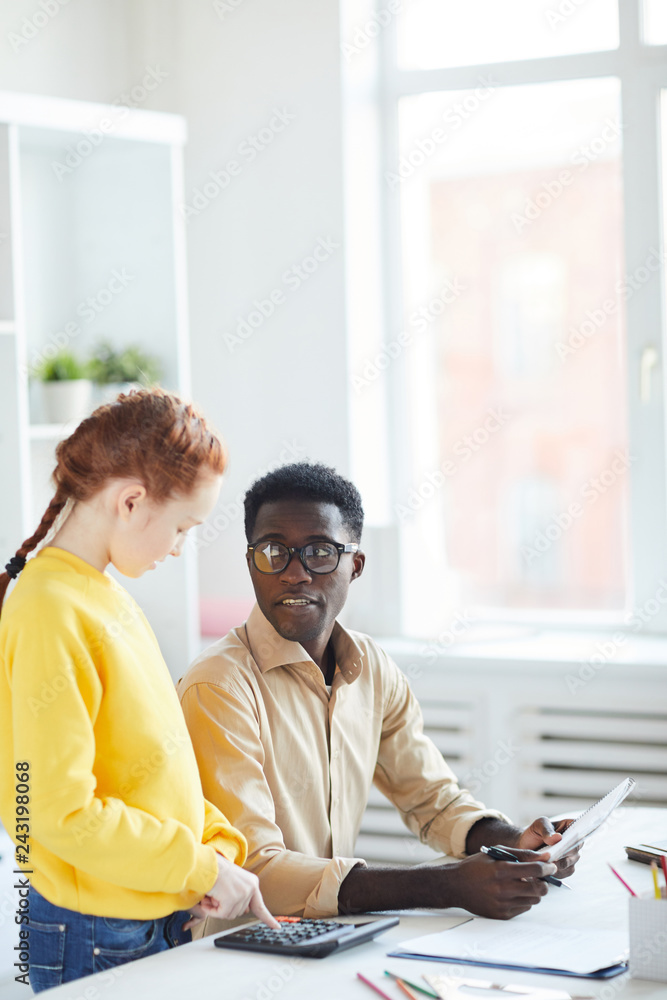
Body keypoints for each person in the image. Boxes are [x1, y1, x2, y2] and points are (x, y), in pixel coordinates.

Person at [177, 462, 580, 932]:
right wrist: (444, 886)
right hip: (238, 949)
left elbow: (432, 798)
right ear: (251, 564)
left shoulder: (371, 667)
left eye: (320, 552)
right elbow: (254, 868)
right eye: (273, 552)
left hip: (330, 937)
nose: (294, 573)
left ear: (356, 566)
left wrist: (514, 842)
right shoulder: (218, 686)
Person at [0, 389, 277, 993]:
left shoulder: (104, 596)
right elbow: (55, 812)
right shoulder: (50, 609)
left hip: (143, 911)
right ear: (130, 501)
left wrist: (212, 853)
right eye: (182, 527)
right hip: (95, 929)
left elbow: (149, 770)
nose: (179, 547)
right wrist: (198, 867)